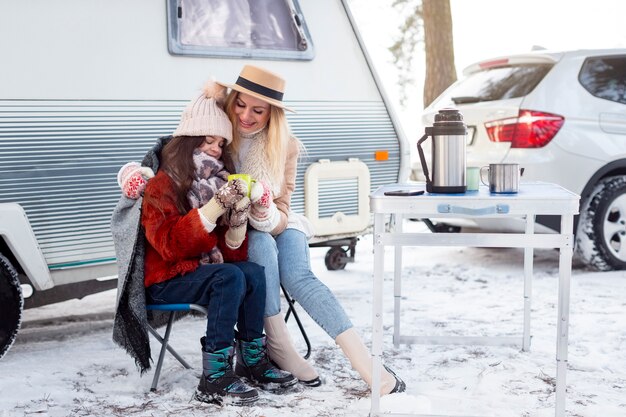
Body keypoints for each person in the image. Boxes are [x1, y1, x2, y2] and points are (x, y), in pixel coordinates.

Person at [218, 65, 406, 395]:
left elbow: (283, 209)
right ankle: (279, 348)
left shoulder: (285, 145)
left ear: (272, 114)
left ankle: (366, 364)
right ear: (232, 100)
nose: (246, 115)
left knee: (297, 274)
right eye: (240, 105)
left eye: (258, 110)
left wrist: (261, 205)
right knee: (261, 245)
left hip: (275, 220)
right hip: (234, 231)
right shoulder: (217, 133)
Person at [113, 80, 296, 406]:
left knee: (251, 272)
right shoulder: (162, 184)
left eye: (220, 143)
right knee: (230, 276)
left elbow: (228, 253)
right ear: (188, 141)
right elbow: (169, 245)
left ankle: (251, 362)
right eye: (207, 140)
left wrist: (237, 219)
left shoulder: (215, 182)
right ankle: (213, 377)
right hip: (167, 279)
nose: (214, 148)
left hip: (200, 272)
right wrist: (212, 209)